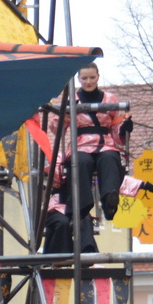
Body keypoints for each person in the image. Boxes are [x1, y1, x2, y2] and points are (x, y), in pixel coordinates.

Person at [58, 62, 130, 220]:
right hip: (81, 143)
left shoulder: (110, 99)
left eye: (92, 77)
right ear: (79, 79)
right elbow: (58, 128)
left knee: (110, 158)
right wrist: (65, 113)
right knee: (81, 161)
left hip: (105, 142)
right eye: (84, 78)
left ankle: (110, 198)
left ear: (98, 77)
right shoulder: (72, 99)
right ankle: (83, 202)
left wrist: (124, 129)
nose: (88, 81)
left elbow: (116, 130)